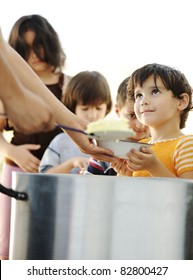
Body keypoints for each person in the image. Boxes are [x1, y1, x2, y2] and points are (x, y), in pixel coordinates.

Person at [111, 63, 193, 178]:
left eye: (155, 91)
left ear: (181, 101)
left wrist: (154, 167)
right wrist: (125, 174)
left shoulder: (187, 145)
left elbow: (187, 194)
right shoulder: (141, 146)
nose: (143, 101)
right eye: (139, 95)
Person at [39, 70, 113, 174]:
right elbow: (44, 174)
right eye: (85, 109)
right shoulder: (60, 141)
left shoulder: (110, 142)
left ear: (107, 107)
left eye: (98, 108)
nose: (92, 115)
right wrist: (71, 163)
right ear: (73, 108)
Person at [84, 77, 150, 175]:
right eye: (132, 115)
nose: (140, 124)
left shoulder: (160, 149)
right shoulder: (105, 153)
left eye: (145, 113)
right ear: (117, 111)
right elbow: (86, 188)